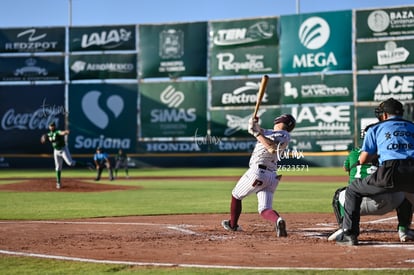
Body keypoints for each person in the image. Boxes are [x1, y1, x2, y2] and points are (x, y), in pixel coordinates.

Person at [336, 98, 414, 246]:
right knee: (406, 192)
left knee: (353, 190)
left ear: (384, 115)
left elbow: (364, 159)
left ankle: (349, 235)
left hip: (391, 171)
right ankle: (404, 228)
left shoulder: (375, 128)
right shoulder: (412, 126)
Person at [221, 113, 296, 237]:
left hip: (258, 172)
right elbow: (260, 131)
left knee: (236, 195)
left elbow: (271, 147)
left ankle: (233, 225)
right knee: (264, 209)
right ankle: (278, 220)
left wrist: (256, 132)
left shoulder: (284, 135)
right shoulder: (272, 133)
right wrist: (253, 124)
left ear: (278, 121)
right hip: (271, 177)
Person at [329, 145, 413, 242]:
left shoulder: (354, 152)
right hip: (386, 202)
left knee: (338, 194)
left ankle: (345, 228)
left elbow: (345, 168)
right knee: (403, 188)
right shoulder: (386, 151)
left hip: (354, 203)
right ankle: (404, 230)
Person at [40, 122, 92, 189]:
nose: (51, 127)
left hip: (63, 149)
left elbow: (62, 133)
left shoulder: (57, 132)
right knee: (58, 167)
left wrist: (66, 132)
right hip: (56, 151)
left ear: (55, 126)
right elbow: (43, 139)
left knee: (70, 163)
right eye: (50, 126)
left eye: (53, 126)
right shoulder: (49, 134)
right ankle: (58, 183)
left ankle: (86, 164)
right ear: (49, 127)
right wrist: (43, 140)